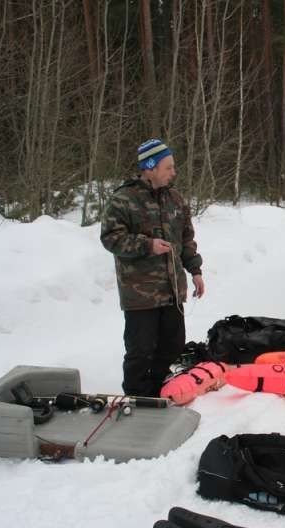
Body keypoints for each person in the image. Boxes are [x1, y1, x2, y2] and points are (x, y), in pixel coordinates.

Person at [100, 139, 205, 397]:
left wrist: (195, 271)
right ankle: (136, 396)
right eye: (168, 167)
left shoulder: (175, 198)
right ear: (150, 167)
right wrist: (146, 245)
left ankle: (158, 389)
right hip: (141, 294)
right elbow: (110, 238)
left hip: (172, 289)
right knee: (140, 351)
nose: (173, 172)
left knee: (173, 346)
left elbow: (186, 238)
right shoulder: (123, 199)